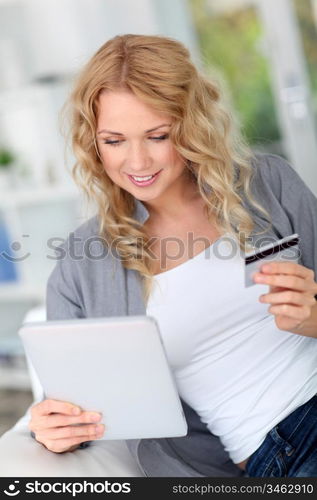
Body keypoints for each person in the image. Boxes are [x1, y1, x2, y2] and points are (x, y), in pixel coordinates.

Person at [27, 34, 317, 477]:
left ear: (191, 124)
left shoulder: (268, 185)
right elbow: (74, 402)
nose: (137, 161)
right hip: (282, 449)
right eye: (114, 140)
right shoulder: (82, 264)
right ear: (93, 143)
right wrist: (52, 426)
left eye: (157, 135)